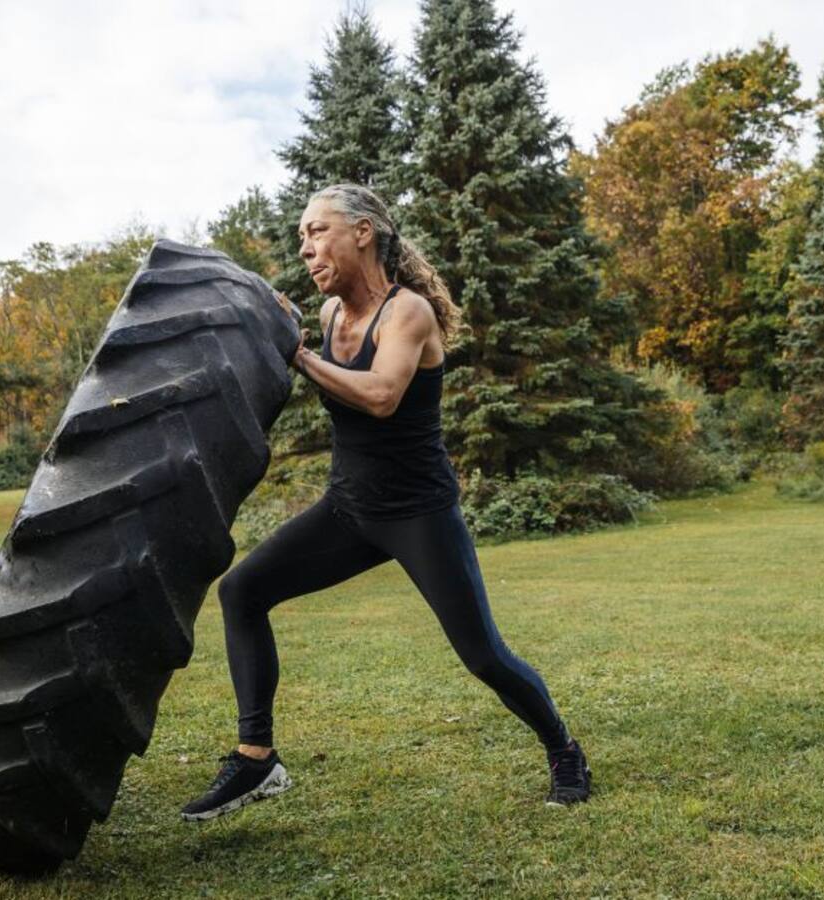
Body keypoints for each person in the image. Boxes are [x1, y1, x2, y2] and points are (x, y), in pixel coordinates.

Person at [180, 183, 591, 822]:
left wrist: (299, 355)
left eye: (317, 231)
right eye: (300, 237)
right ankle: (257, 757)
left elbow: (379, 395)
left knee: (483, 654)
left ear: (363, 232)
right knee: (243, 592)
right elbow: (310, 378)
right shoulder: (326, 319)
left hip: (417, 514)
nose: (306, 247)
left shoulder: (408, 315)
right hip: (348, 511)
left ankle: (563, 748)